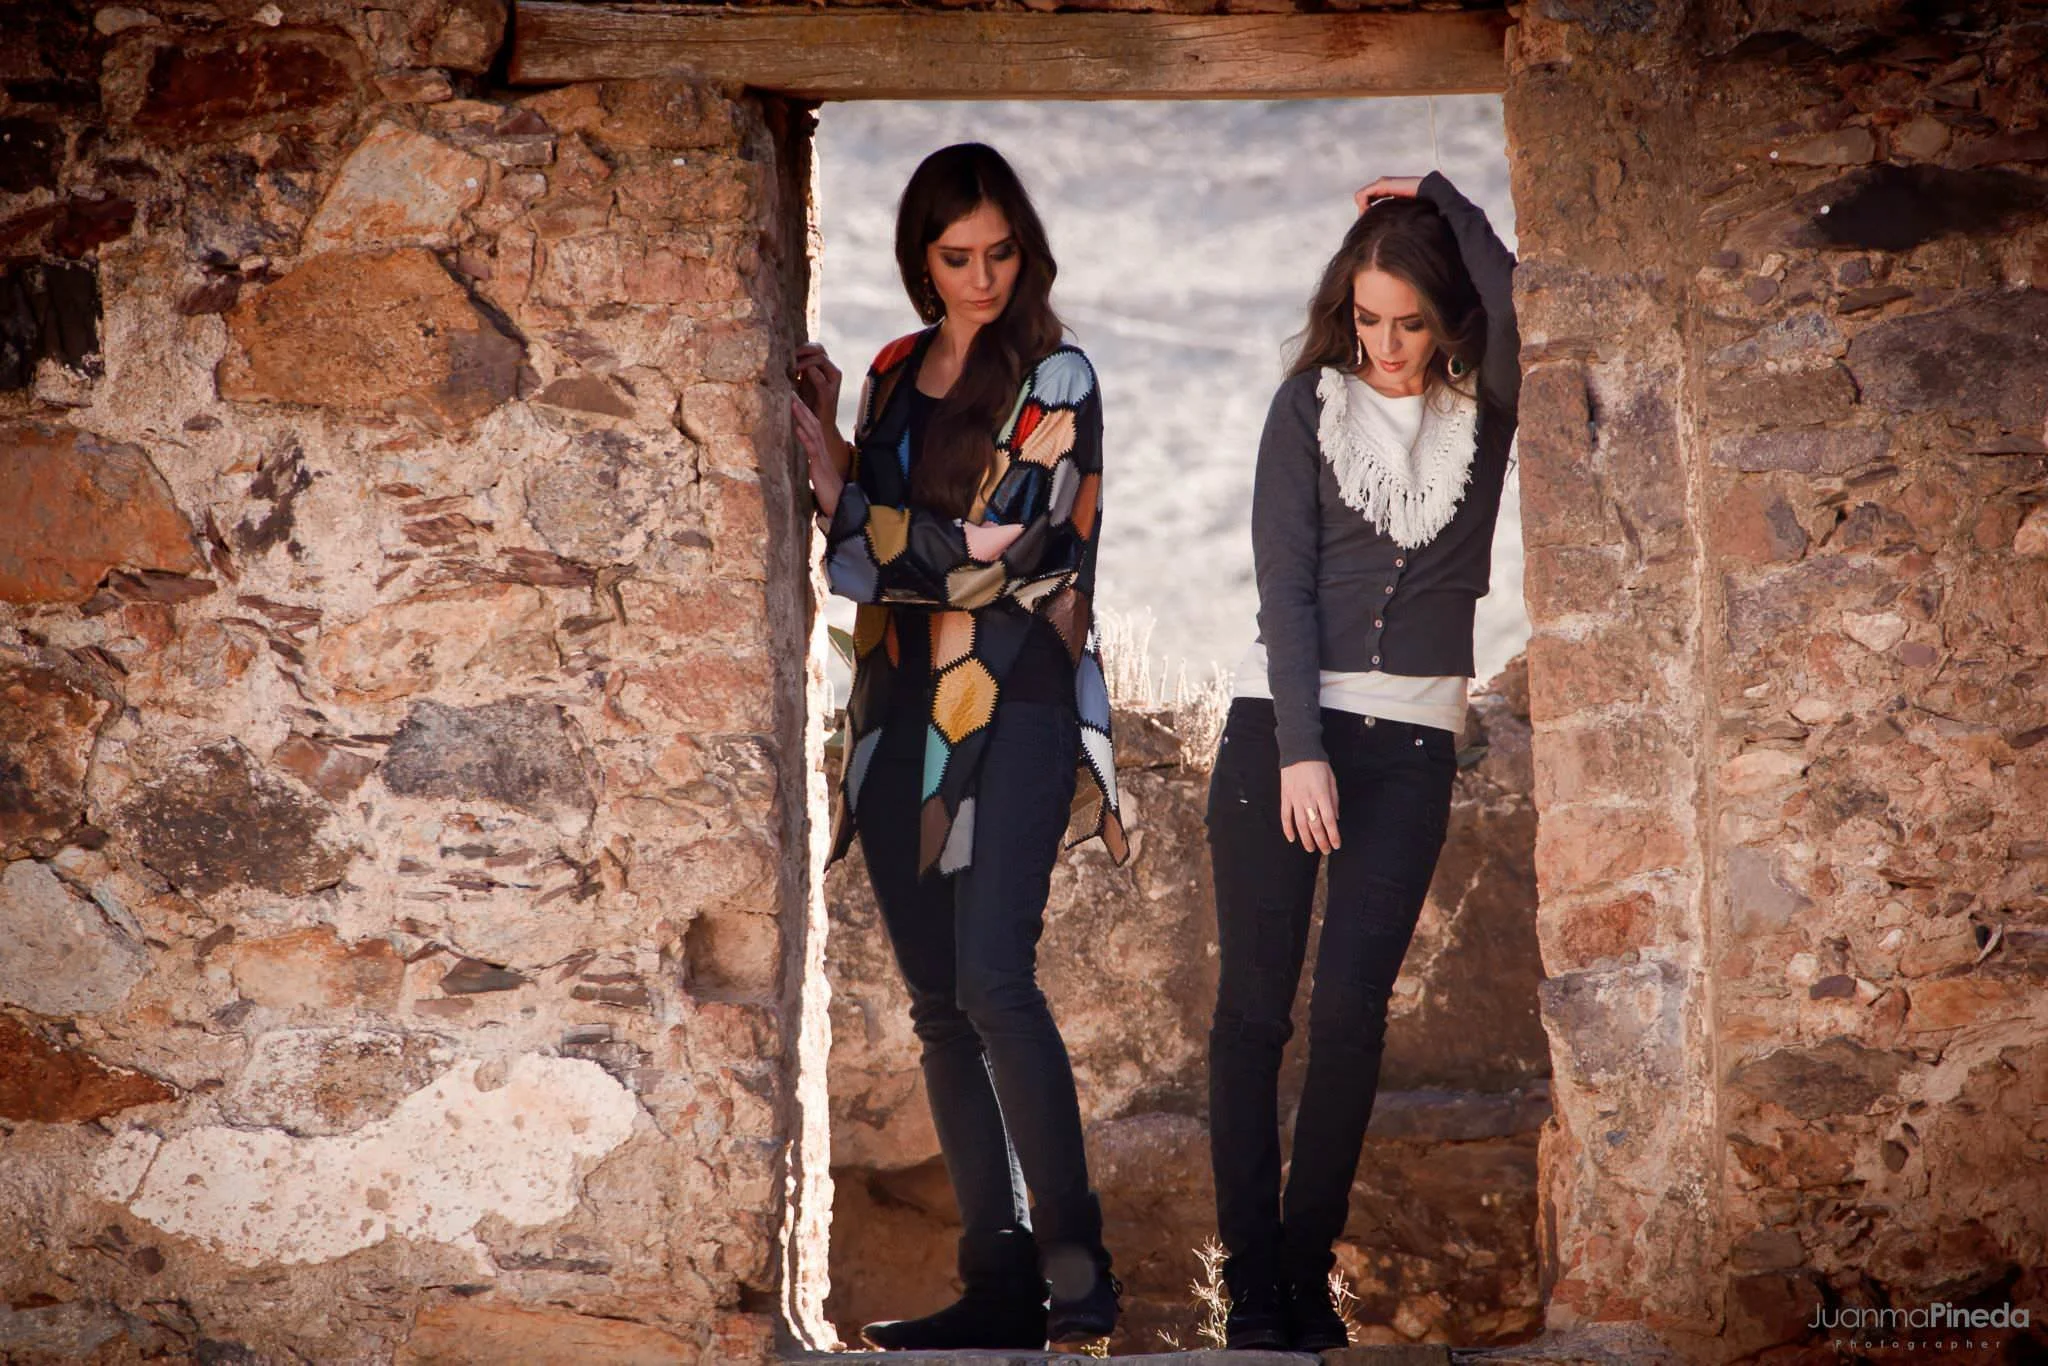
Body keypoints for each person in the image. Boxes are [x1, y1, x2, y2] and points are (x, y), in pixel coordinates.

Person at [790, 142, 1129, 1352]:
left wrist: (852, 507)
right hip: (893, 712)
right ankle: (996, 1290)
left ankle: (1078, 1267)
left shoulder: (1059, 376)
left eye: (999, 253)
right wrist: (836, 447)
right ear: (919, 260)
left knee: (995, 978)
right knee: (938, 1005)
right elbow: (890, 548)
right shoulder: (887, 372)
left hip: (1020, 701)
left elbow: (1002, 558)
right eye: (955, 257)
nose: (981, 278)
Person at [1204, 171, 1520, 1352]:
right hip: (1280, 730)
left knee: (1348, 1016)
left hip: (1410, 745)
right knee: (1250, 1014)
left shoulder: (1482, 414)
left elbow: (1525, 308)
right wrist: (1298, 750)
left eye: (1410, 321)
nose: (1385, 346)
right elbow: (1282, 587)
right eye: (1367, 318)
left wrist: (1440, 199)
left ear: (1444, 321)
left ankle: (1300, 1274)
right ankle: (1248, 1290)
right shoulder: (1305, 411)